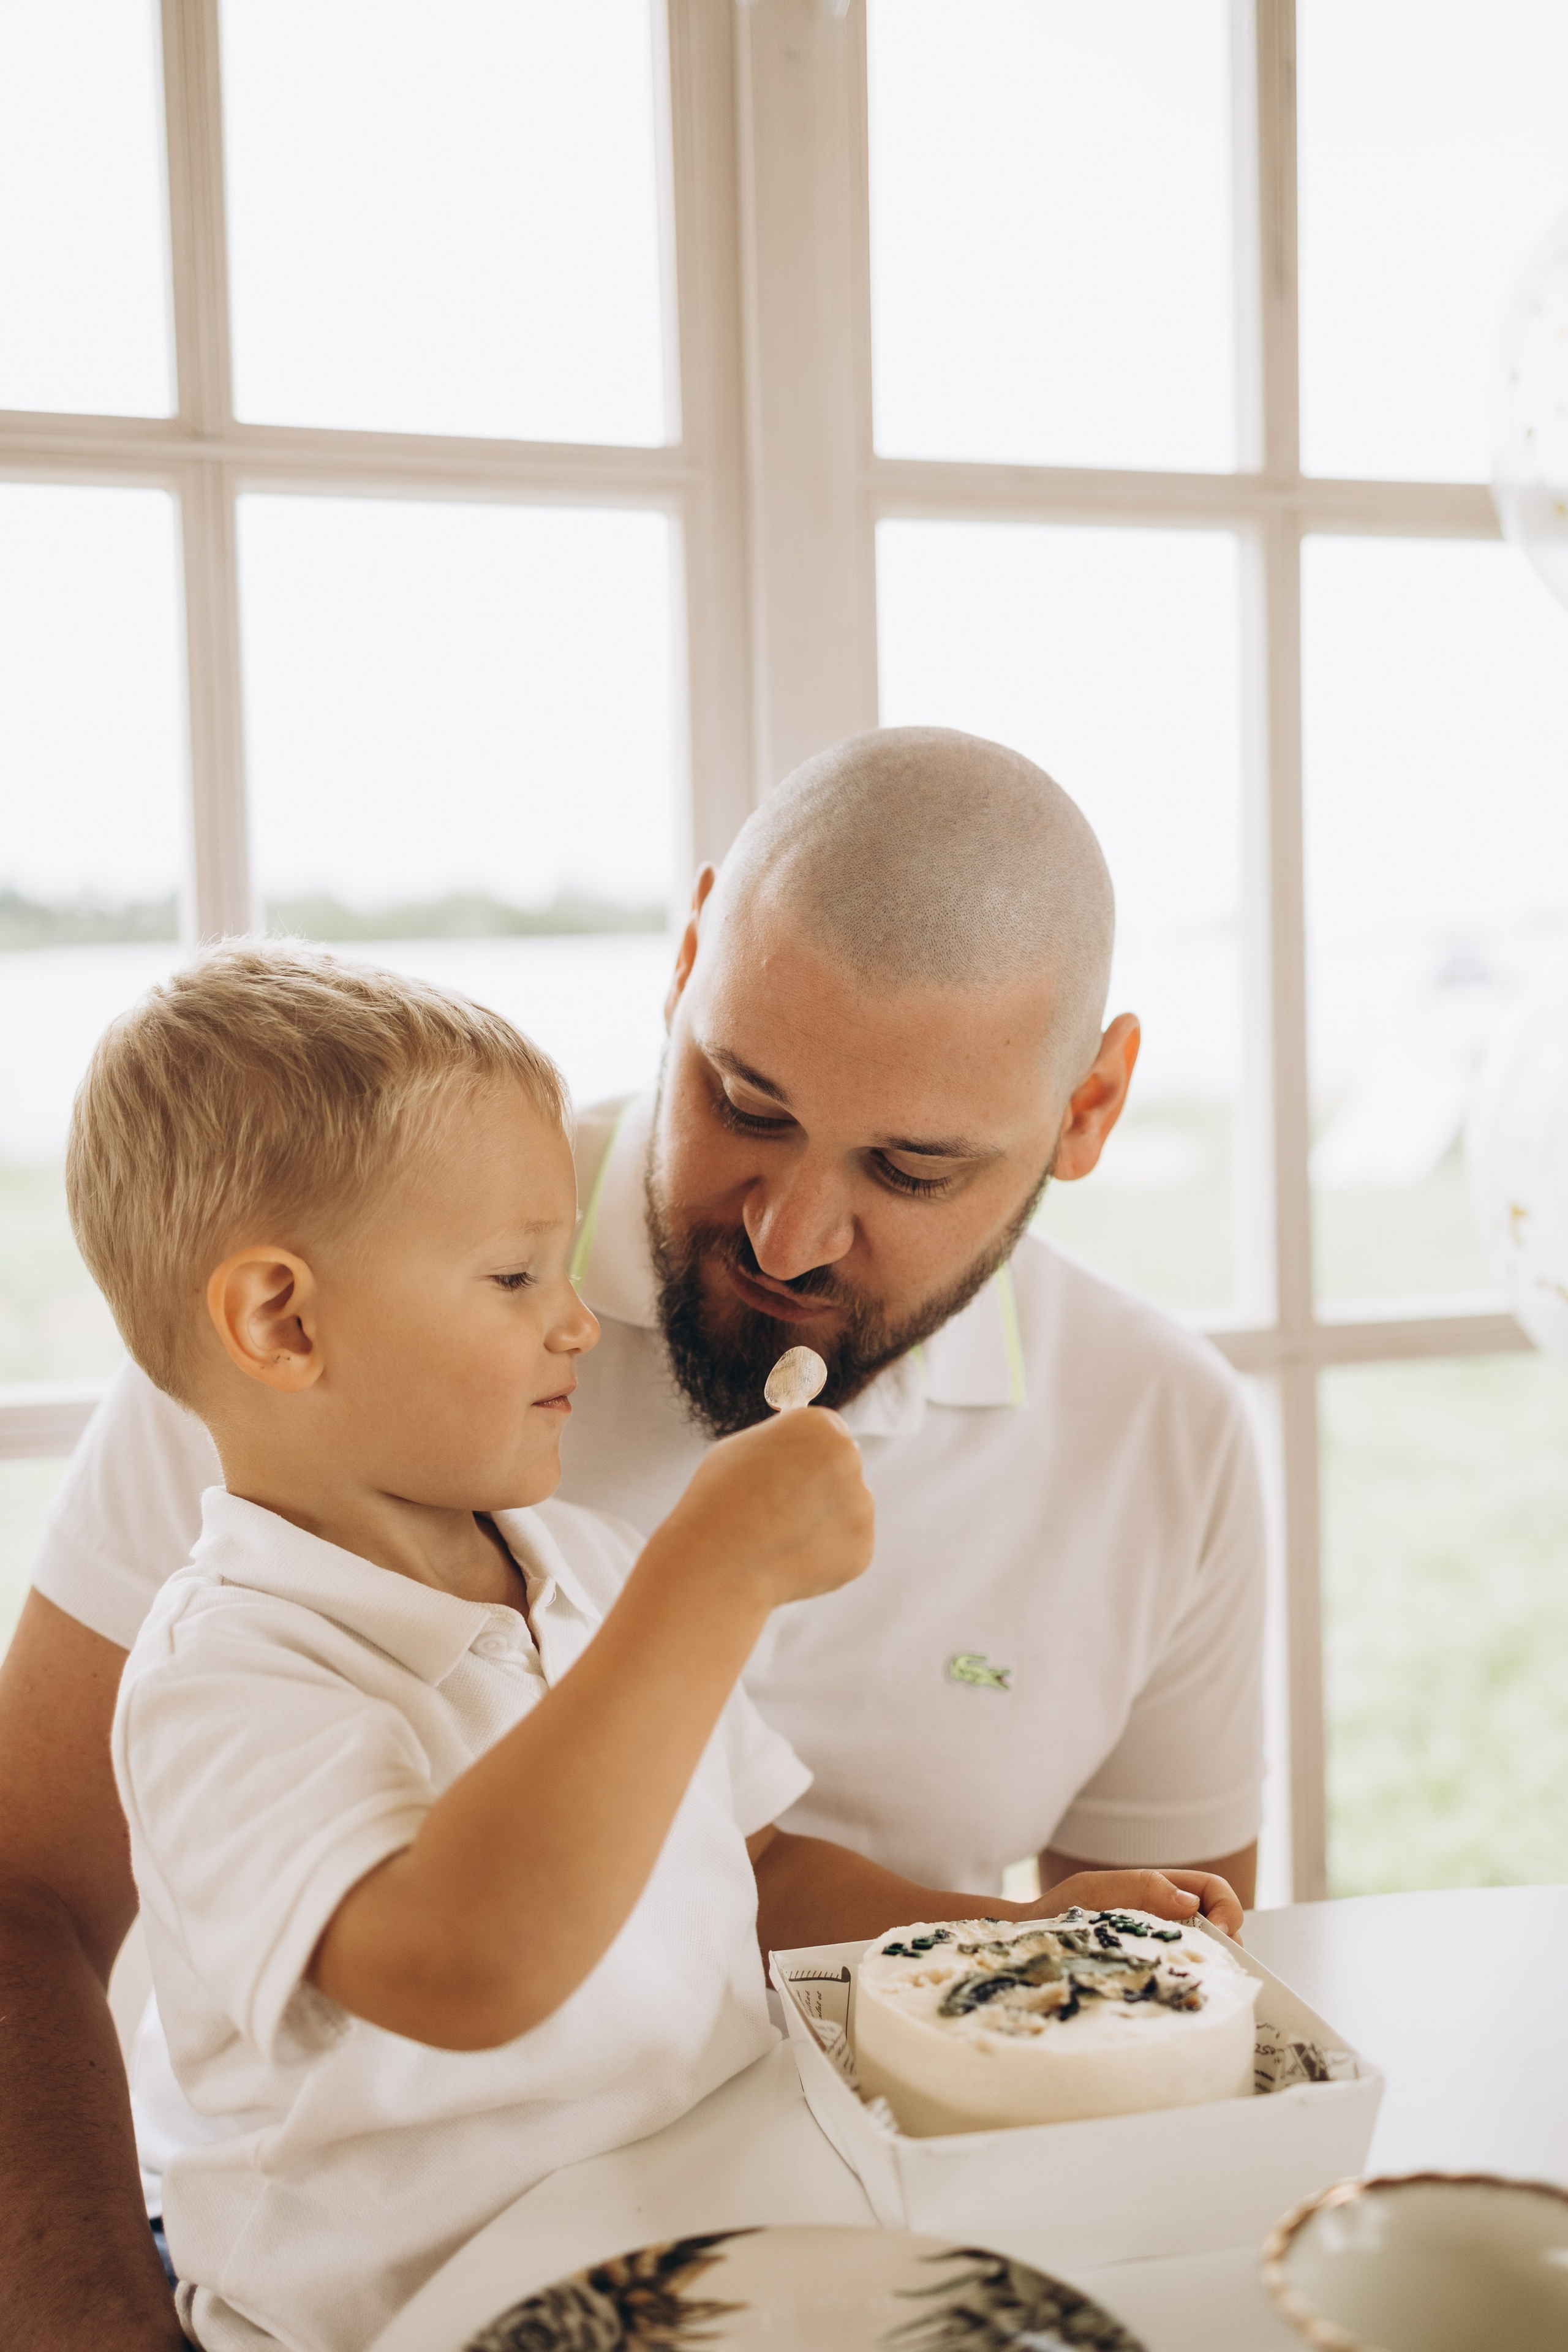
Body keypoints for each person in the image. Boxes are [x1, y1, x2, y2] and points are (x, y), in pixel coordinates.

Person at [0, 728, 1261, 2347]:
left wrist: (1033, 1937)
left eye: (912, 1167)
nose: (792, 1235)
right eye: (743, 1103)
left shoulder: (573, 1558)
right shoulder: (296, 1413)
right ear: (685, 960)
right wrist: (707, 1580)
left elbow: (754, 1867)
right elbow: (429, 1956)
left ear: (1087, 1110)